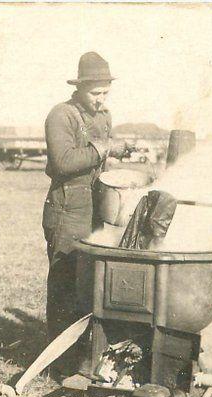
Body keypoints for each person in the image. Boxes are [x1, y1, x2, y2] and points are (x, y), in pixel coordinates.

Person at [42, 51, 131, 370]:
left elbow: (100, 162)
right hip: (68, 206)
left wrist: (119, 159)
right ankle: (57, 359)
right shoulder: (61, 115)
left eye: (106, 93)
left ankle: (85, 353)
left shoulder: (104, 116)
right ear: (80, 88)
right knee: (65, 281)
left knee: (93, 282)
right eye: (96, 93)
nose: (101, 99)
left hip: (97, 206)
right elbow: (63, 162)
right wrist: (103, 149)